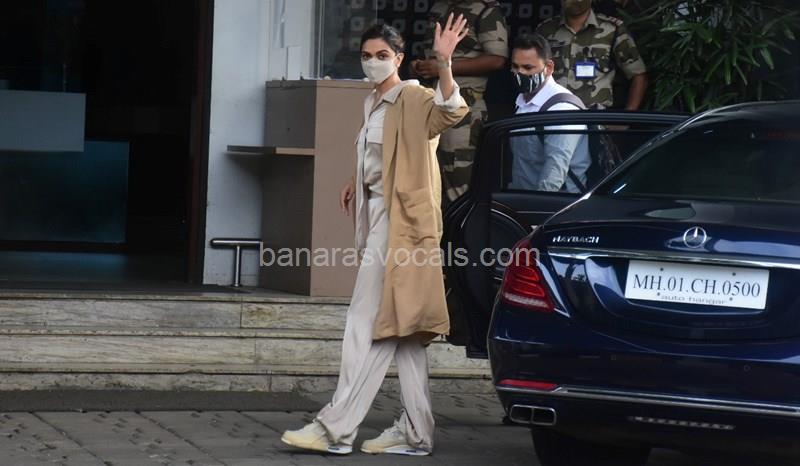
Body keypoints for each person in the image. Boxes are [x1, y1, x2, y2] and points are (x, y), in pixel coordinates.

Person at [280, 19, 468, 457]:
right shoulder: (373, 102)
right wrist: (357, 179)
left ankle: (336, 429)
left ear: (399, 58)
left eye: (382, 55)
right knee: (404, 334)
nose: (372, 62)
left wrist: (444, 63)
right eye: (366, 56)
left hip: (402, 226)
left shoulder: (413, 97)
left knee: (365, 323)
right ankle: (417, 434)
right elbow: (382, 154)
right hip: (381, 215)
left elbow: (450, 112)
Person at [411, 0, 509, 205]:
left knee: (459, 183)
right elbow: (431, 52)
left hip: (464, 109)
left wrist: (444, 67)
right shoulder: (439, 7)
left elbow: (497, 59)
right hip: (430, 104)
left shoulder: (486, 9)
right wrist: (419, 66)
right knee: (427, 178)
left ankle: (462, 226)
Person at [507, 33, 590, 193]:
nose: (520, 73)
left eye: (528, 68)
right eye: (515, 66)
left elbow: (554, 172)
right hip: (524, 198)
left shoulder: (562, 109)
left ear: (549, 68)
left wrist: (538, 205)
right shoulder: (523, 102)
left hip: (557, 202)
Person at [536, 0, 648, 110]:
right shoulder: (545, 31)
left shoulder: (612, 29)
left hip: (595, 116)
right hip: (553, 113)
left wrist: (627, 116)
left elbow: (638, 75)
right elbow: (532, 73)